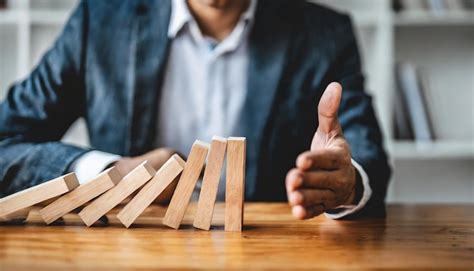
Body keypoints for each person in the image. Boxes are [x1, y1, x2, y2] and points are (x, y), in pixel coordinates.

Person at [0, 0, 391, 220]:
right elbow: (5, 144)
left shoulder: (323, 33)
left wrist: (346, 184)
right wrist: (106, 172)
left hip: (270, 255)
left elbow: (366, 159)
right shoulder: (98, 23)